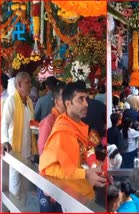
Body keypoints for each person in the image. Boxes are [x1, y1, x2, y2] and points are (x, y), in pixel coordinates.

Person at [39, 81, 105, 193]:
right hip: (66, 193)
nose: (86, 104)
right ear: (68, 103)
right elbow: (48, 169)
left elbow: (82, 155)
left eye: (86, 99)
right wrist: (85, 173)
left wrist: (98, 167)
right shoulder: (62, 131)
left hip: (79, 189)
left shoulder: (78, 126)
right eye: (80, 99)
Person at [1, 72, 37, 200]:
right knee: (15, 183)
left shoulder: (29, 102)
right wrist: (4, 141)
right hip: (15, 149)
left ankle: (20, 206)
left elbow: (30, 123)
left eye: (30, 82)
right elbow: (4, 123)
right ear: (19, 84)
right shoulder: (11, 100)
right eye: (28, 83)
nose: (30, 85)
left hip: (27, 150)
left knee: (24, 184)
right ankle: (12, 208)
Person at [38, 82, 66, 155]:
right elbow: (43, 151)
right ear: (57, 102)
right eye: (65, 98)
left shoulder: (70, 119)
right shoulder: (49, 122)